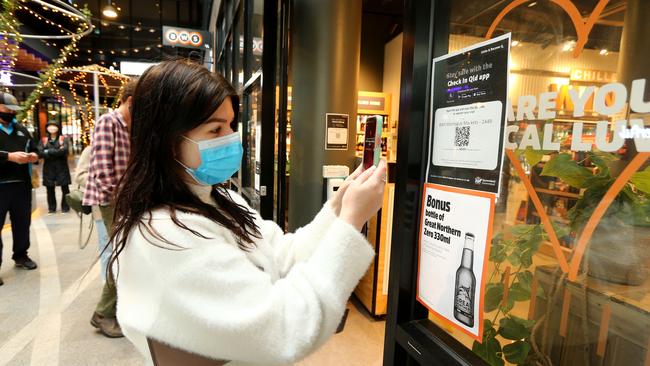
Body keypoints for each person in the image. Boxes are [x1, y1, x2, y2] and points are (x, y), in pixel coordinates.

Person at [111, 60, 387, 365]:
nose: (231, 139)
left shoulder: (220, 199)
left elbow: (283, 255)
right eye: (215, 129)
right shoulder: (163, 234)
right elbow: (286, 329)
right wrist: (351, 222)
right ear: (166, 140)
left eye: (231, 125)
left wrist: (338, 208)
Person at [83, 79, 136, 338]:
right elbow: (102, 171)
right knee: (121, 256)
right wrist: (118, 199)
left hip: (125, 200)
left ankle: (114, 310)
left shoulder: (129, 127)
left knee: (127, 256)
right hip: (112, 201)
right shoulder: (109, 122)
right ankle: (103, 314)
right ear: (130, 101)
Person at [0, 92, 39, 287]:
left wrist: (33, 155)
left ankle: (21, 255)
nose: (11, 113)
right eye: (7, 109)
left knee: (22, 223)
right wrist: (8, 157)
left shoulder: (22, 129)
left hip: (21, 186)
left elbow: (36, 148)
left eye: (13, 111)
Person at [74, 145, 111, 283]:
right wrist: (105, 184)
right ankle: (107, 284)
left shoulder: (124, 147)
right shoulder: (91, 149)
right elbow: (80, 175)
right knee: (107, 247)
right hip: (102, 208)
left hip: (126, 207)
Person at [38, 122, 72, 214]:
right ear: (47, 128)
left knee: (65, 188)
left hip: (62, 167)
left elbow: (64, 151)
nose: (52, 128)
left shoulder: (63, 139)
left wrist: (48, 151)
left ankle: (65, 207)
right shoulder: (44, 140)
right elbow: (40, 153)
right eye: (49, 126)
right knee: (50, 189)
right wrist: (56, 151)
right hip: (48, 168)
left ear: (58, 128)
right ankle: (51, 208)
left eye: (54, 126)